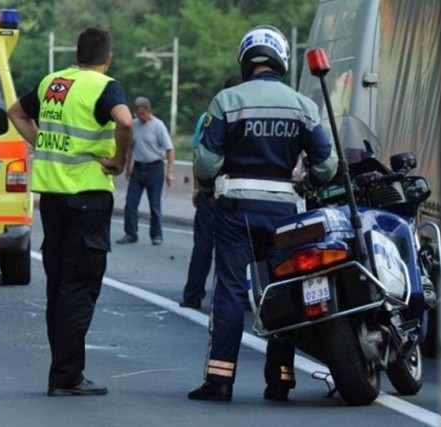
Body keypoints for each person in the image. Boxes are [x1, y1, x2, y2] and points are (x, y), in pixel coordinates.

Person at [188, 25, 338, 402]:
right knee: (283, 291)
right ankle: (281, 381)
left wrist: (210, 186)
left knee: (230, 290)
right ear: (281, 61)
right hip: (285, 213)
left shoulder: (227, 101)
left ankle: (220, 380)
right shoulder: (304, 105)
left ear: (245, 59)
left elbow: (206, 163)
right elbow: (326, 166)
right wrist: (305, 178)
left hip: (235, 208)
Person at [7, 28, 133, 396]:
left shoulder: (52, 83)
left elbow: (16, 111)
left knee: (60, 286)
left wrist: (40, 142)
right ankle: (66, 376)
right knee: (80, 286)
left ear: (77, 54)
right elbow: (125, 122)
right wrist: (119, 160)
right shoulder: (104, 86)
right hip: (88, 198)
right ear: (107, 58)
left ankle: (63, 371)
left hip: (53, 200)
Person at [179, 75, 244, 310]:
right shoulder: (249, 116)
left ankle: (193, 295)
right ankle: (237, 295)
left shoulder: (208, 117)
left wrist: (198, 188)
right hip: (240, 191)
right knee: (237, 247)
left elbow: (200, 155)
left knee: (204, 244)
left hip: (212, 189)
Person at [115, 97, 175, 245]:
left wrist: (170, 171)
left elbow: (170, 150)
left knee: (154, 204)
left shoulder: (158, 126)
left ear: (148, 110)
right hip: (139, 168)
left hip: (155, 168)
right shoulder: (134, 125)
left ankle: (156, 235)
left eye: (142, 114)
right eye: (138, 115)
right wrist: (128, 167)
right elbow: (130, 147)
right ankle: (130, 233)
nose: (140, 118)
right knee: (130, 202)